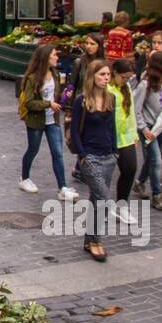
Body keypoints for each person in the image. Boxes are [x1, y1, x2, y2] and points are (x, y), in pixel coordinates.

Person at [70, 60, 118, 263]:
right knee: (105, 199)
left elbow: (112, 127)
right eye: (101, 75)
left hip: (108, 156)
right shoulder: (82, 101)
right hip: (90, 157)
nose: (105, 78)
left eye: (107, 75)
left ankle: (91, 240)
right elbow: (74, 130)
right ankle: (95, 240)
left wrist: (115, 151)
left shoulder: (111, 98)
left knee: (97, 201)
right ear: (92, 76)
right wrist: (82, 155)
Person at [16, 44, 78, 201]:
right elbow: (29, 103)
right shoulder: (32, 79)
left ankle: (62, 187)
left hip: (53, 120)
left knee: (57, 153)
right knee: (33, 149)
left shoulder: (55, 74)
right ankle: (24, 178)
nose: (57, 57)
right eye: (54, 55)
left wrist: (64, 96)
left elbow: (55, 96)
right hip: (36, 120)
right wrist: (48, 104)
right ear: (45, 58)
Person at [133, 51, 162, 211]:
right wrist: (143, 129)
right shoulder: (145, 85)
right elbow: (136, 108)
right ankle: (157, 194)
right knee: (156, 160)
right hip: (149, 128)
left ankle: (139, 183)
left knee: (152, 158)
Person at [64, 33, 106, 181]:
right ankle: (82, 166)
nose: (88, 46)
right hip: (81, 104)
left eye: (92, 44)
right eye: (87, 43)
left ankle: (80, 167)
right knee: (83, 135)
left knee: (92, 136)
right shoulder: (79, 62)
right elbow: (71, 86)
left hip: (99, 104)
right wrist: (69, 108)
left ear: (99, 46)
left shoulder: (104, 63)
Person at [107, 59, 140, 224]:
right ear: (115, 73)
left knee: (130, 169)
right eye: (124, 77)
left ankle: (122, 206)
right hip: (108, 138)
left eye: (129, 78)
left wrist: (134, 134)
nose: (126, 80)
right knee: (105, 174)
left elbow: (131, 111)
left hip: (125, 137)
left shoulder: (126, 88)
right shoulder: (106, 88)